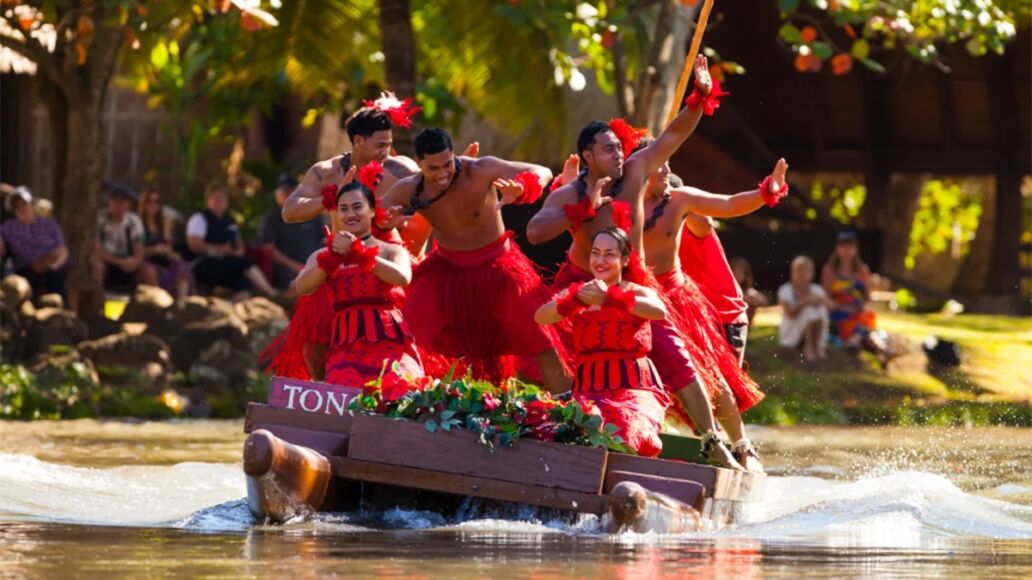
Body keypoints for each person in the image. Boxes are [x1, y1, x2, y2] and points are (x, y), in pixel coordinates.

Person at [526, 57, 744, 469]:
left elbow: (673, 136)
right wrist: (583, 210)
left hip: (635, 281)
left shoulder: (636, 172)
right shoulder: (570, 195)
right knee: (542, 340)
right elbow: (536, 232)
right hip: (580, 280)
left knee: (677, 357)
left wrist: (698, 97)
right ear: (587, 155)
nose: (619, 154)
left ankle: (713, 440)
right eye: (609, 149)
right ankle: (563, 426)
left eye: (618, 148)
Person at [379, 127, 567, 390]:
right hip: (446, 270)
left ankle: (565, 409)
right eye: (434, 168)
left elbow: (542, 172)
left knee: (539, 335)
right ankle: (398, 395)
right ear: (419, 164)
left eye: (448, 164)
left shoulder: (479, 170)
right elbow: (371, 215)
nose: (443, 173)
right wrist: (386, 222)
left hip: (499, 266)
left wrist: (524, 186)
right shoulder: (409, 190)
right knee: (408, 328)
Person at [634, 153, 788, 472]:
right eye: (658, 166)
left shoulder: (689, 213)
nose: (664, 171)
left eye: (668, 168)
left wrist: (766, 191)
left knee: (715, 383)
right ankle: (690, 448)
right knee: (666, 379)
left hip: (721, 313)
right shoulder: (631, 209)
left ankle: (742, 448)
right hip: (657, 303)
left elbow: (724, 206)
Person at [535, 228, 669, 457]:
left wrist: (610, 299)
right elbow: (541, 316)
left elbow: (659, 312)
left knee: (627, 433)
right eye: (595, 253)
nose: (600, 260)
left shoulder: (637, 292)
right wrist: (573, 300)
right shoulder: (580, 294)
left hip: (633, 390)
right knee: (583, 434)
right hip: (589, 392)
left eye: (609, 254)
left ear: (625, 259)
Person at [294, 172, 422, 386]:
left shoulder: (390, 250)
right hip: (345, 345)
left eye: (357, 207)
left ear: (372, 211)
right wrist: (331, 258)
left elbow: (402, 278)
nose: (350, 214)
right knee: (346, 400)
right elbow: (302, 286)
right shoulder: (323, 255)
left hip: (390, 341)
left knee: (400, 395)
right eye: (343, 209)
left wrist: (359, 252)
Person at [186, 184, 278, 302]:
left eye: (222, 198)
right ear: (208, 200)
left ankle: (234, 310)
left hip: (227, 263)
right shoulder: (200, 218)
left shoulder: (229, 221)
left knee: (242, 281)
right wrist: (222, 249)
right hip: (204, 262)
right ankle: (270, 292)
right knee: (245, 262)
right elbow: (194, 245)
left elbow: (239, 247)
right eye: (216, 198)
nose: (219, 201)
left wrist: (235, 252)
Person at [821, 231, 893, 362]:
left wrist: (860, 308)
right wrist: (844, 308)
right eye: (843, 246)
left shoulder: (862, 270)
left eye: (850, 246)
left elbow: (867, 298)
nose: (846, 250)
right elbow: (826, 299)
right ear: (837, 248)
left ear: (855, 249)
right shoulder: (829, 270)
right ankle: (876, 348)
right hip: (838, 314)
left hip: (858, 313)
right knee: (858, 326)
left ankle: (870, 345)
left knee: (863, 320)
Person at [0, 187, 68, 299]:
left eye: (24, 204)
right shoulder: (8, 227)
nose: (21, 208)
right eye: (16, 206)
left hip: (53, 267)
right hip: (26, 270)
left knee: (57, 280)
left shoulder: (49, 224)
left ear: (32, 204)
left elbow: (62, 249)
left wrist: (55, 266)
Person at [261, 173, 325, 291]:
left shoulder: (311, 212)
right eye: (284, 191)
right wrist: (296, 267)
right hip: (287, 269)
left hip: (315, 264)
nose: (288, 195)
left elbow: (322, 240)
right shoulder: (272, 217)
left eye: (292, 190)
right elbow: (269, 249)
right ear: (277, 195)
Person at [139, 186, 193, 300]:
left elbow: (168, 246)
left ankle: (182, 303)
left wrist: (170, 253)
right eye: (149, 201)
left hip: (162, 260)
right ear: (144, 203)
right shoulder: (138, 224)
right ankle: (157, 303)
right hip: (145, 260)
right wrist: (154, 249)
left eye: (157, 201)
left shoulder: (162, 224)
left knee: (182, 265)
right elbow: (136, 250)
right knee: (150, 271)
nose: (153, 205)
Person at [93, 185, 149, 292]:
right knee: (97, 267)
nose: (118, 205)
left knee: (148, 271)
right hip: (107, 261)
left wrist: (133, 263)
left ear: (128, 204)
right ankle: (97, 301)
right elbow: (97, 250)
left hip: (128, 261)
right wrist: (119, 262)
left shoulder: (134, 221)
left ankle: (151, 304)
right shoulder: (100, 219)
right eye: (115, 201)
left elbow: (139, 251)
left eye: (122, 202)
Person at [778, 255, 830, 361]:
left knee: (820, 310)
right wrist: (804, 302)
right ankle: (809, 347)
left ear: (811, 273)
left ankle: (816, 345)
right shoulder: (785, 290)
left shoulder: (817, 289)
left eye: (805, 269)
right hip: (792, 330)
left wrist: (815, 301)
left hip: (815, 328)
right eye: (799, 270)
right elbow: (790, 313)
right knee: (809, 311)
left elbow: (828, 305)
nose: (802, 273)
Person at [729, 257, 768, 327]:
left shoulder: (748, 291)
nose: (737, 275)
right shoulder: (725, 290)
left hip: (742, 326)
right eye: (734, 271)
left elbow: (763, 301)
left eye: (740, 272)